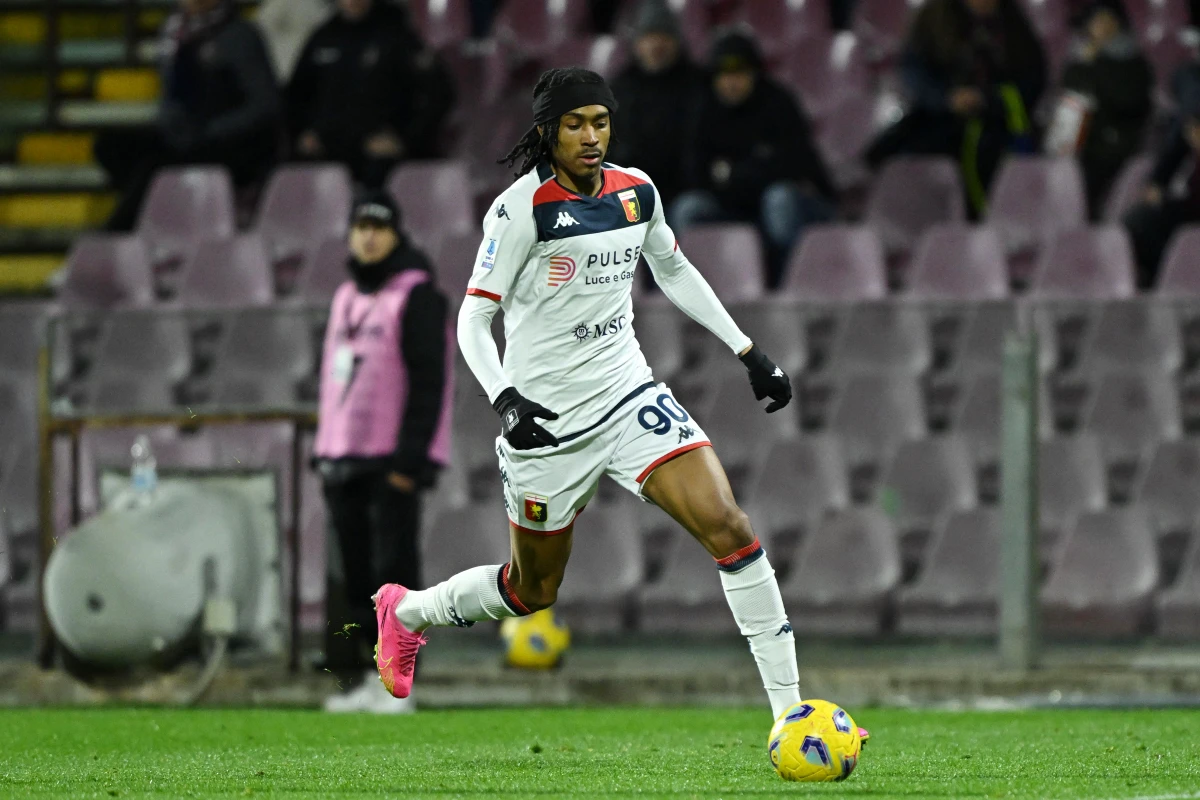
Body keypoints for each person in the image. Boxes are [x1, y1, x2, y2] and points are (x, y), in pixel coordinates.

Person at [369, 67, 866, 740]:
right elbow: (472, 319)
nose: (590, 136)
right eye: (574, 124)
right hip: (546, 424)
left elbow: (674, 269)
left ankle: (789, 714)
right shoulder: (521, 210)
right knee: (532, 591)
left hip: (629, 395)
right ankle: (409, 614)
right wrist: (507, 399)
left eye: (600, 122)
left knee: (730, 526)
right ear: (547, 131)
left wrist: (748, 351)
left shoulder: (638, 193)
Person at [313, 191, 453, 712]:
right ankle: (364, 682)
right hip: (345, 458)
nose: (368, 236)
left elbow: (429, 383)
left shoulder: (417, 295)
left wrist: (410, 462)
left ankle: (399, 686)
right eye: (360, 227)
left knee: (393, 579)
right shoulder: (347, 293)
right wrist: (324, 451)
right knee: (355, 580)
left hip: (392, 460)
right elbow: (333, 382)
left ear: (396, 235)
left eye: (379, 227)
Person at [95, 0, 280, 231]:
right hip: (185, 136)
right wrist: (171, 125)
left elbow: (265, 104)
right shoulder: (173, 33)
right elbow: (170, 92)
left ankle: (116, 234)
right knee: (113, 146)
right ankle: (159, 215)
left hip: (232, 144)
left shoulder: (240, 35)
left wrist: (212, 131)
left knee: (156, 165)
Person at [670, 30, 837, 287]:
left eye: (740, 74)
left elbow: (794, 164)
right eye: (724, 76)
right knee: (687, 209)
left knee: (779, 200)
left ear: (755, 74)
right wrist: (753, 169)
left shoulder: (778, 103)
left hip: (777, 206)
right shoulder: (704, 110)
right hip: (730, 206)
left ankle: (785, 285)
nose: (732, 83)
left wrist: (732, 174)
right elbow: (695, 173)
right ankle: (696, 290)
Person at [865, 0, 1046, 216]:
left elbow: (1034, 77)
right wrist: (947, 98)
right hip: (940, 123)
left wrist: (989, 100)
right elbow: (913, 74)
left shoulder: (1013, 23)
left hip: (998, 125)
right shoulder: (933, 18)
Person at [286, 0, 455, 188]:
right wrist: (302, 134)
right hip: (326, 150)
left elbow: (439, 94)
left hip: (376, 157)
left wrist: (405, 140)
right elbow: (295, 96)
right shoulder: (323, 37)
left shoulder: (395, 34)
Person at [1053, 0, 1152, 217]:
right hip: (1079, 143)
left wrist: (1097, 65)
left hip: (1118, 145)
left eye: (1109, 20)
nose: (1103, 26)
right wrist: (1088, 64)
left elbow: (1127, 102)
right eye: (1097, 21)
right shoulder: (1080, 61)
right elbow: (1072, 96)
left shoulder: (1133, 62)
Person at [608, 0, 705, 210]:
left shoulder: (698, 85)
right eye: (649, 36)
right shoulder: (619, 89)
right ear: (637, 43)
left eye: (664, 36)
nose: (657, 45)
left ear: (677, 41)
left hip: (684, 192)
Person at [1123, 65, 1200, 288]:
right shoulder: (1188, 144)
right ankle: (1161, 282)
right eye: (1190, 127)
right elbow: (1170, 158)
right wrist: (1158, 189)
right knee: (1140, 219)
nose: (1191, 135)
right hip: (1190, 216)